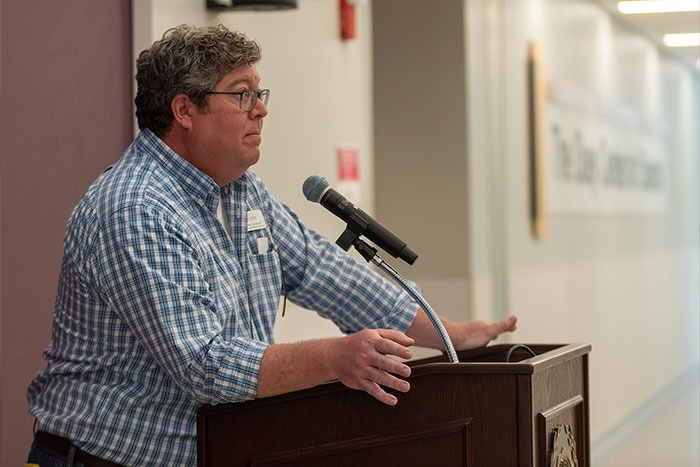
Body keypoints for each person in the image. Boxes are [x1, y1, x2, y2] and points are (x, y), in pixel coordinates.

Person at [26, 24, 517, 466]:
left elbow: (327, 274)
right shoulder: (135, 209)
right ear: (184, 111)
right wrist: (334, 357)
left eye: (260, 92)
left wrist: (450, 334)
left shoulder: (241, 189)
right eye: (242, 95)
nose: (261, 108)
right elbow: (206, 366)